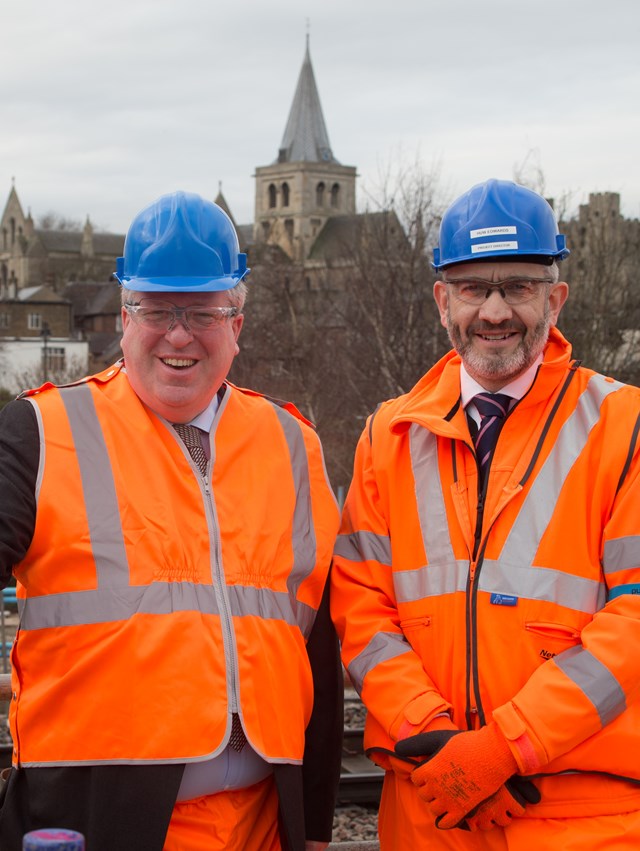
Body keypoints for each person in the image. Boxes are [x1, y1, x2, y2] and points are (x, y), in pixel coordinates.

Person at [0, 190, 343, 851]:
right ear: (123, 318)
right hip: (91, 823)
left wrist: (319, 823)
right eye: (157, 309)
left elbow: (315, 642)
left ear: (237, 323)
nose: (179, 333)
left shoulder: (291, 442)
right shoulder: (41, 432)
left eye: (203, 312)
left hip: (263, 825)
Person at [331, 178, 640, 849]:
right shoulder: (389, 437)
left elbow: (634, 622)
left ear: (554, 299)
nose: (495, 309)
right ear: (443, 301)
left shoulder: (624, 426)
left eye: (518, 286)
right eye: (474, 287)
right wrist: (435, 739)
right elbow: (361, 611)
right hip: (430, 803)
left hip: (580, 814)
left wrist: (506, 747)